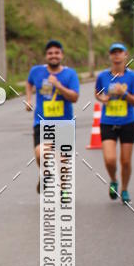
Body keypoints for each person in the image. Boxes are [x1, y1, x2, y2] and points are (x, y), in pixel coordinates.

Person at [26, 40, 80, 194]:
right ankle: (46, 174)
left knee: (63, 161)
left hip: (64, 124)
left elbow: (74, 97)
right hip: (42, 123)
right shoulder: (36, 71)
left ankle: (64, 190)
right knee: (40, 153)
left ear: (62, 55)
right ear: (46, 56)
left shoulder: (70, 74)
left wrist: (58, 85)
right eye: (50, 53)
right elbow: (29, 83)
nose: (53, 56)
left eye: (56, 53)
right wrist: (29, 99)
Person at [95, 42, 134, 205]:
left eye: (119, 52)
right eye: (113, 53)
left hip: (128, 123)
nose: (116, 55)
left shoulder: (132, 77)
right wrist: (102, 98)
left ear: (125, 55)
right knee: (110, 159)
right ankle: (114, 180)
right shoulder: (103, 76)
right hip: (107, 122)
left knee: (126, 161)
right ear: (110, 56)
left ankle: (125, 189)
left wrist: (125, 94)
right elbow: (98, 93)